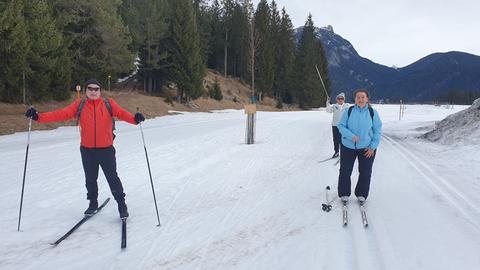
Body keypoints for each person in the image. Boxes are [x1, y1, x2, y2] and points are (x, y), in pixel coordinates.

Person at [25, 79, 145, 218]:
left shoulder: (108, 104)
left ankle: (121, 204)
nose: (93, 91)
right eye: (90, 89)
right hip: (87, 150)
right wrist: (38, 117)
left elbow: (122, 113)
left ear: (100, 91)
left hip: (106, 150)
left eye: (96, 89)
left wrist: (135, 119)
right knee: (90, 179)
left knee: (112, 178)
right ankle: (93, 203)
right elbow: (60, 114)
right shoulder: (80, 105)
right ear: (85, 91)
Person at [337, 89, 382, 203]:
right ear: (355, 99)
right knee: (345, 171)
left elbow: (377, 130)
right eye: (358, 97)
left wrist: (373, 146)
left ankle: (362, 194)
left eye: (363, 97)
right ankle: (344, 193)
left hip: (367, 148)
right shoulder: (349, 111)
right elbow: (341, 126)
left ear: (367, 99)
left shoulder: (373, 112)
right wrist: (351, 136)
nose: (360, 99)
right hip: (348, 146)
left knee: (365, 171)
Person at [326, 92, 350, 158]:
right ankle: (336, 152)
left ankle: (344, 152)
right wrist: (328, 102)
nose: (340, 100)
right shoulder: (334, 106)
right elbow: (328, 110)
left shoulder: (347, 106)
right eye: (339, 98)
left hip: (343, 126)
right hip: (335, 125)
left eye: (342, 98)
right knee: (336, 139)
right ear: (337, 99)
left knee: (343, 139)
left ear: (344, 99)